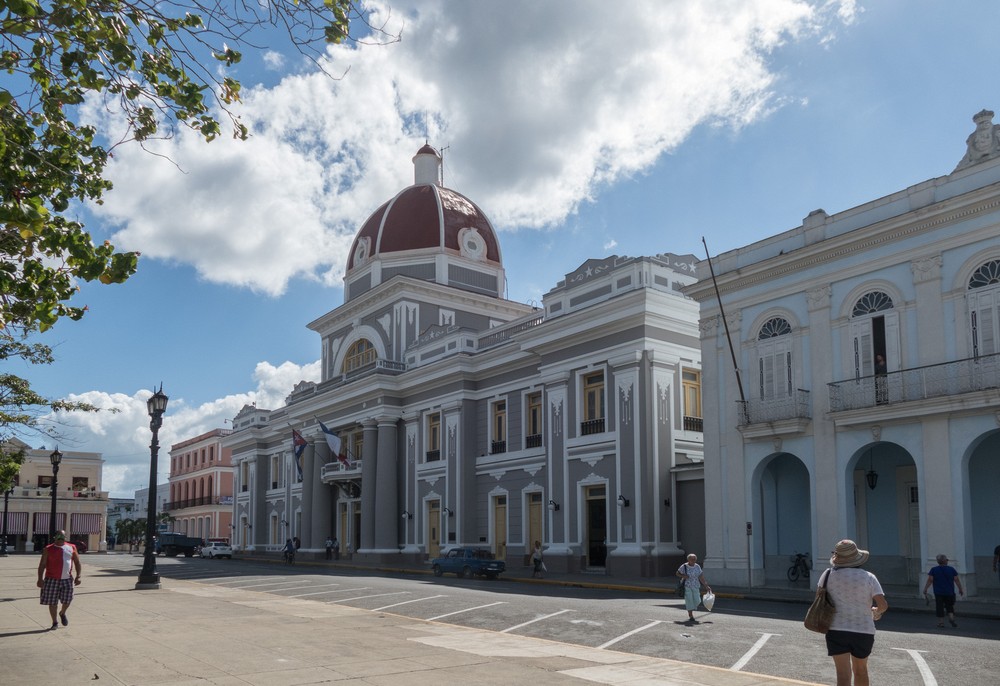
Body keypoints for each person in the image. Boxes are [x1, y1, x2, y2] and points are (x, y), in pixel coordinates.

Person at [823, 540, 888, 686]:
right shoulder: (869, 577)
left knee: (843, 674)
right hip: (863, 630)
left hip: (836, 629)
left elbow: (819, 600)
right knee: (861, 670)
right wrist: (876, 612)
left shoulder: (827, 575)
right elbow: (883, 605)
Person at [37, 530, 81, 630]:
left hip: (67, 579)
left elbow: (77, 562)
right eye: (58, 535)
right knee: (52, 602)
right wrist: (40, 579)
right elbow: (42, 565)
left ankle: (62, 612)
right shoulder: (48, 549)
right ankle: (54, 622)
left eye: (63, 536)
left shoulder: (71, 547)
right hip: (51, 579)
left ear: (65, 537)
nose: (60, 537)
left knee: (68, 600)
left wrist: (78, 576)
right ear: (54, 537)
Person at [922, 554, 964, 628]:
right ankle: (951, 617)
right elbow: (956, 580)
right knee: (950, 606)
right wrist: (960, 589)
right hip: (949, 592)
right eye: (947, 560)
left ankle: (941, 623)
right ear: (945, 561)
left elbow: (930, 580)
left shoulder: (934, 570)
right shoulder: (951, 569)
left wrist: (925, 588)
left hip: (938, 592)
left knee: (939, 607)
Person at [676, 553, 710, 623]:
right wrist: (683, 576)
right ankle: (690, 615)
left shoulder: (697, 566)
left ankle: (691, 608)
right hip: (687, 586)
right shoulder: (684, 566)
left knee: (697, 600)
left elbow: (701, 576)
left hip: (695, 585)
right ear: (688, 559)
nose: (693, 560)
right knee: (689, 601)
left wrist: (706, 585)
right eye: (692, 559)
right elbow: (677, 573)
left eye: (695, 559)